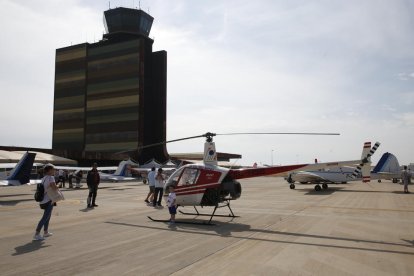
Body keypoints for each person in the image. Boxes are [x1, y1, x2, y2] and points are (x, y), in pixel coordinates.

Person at [33, 164, 58, 241]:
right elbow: (54, 188)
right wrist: (58, 185)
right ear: (49, 170)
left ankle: (46, 232)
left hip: (42, 201)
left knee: (48, 216)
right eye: (53, 169)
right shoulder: (51, 177)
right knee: (45, 217)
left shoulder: (43, 178)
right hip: (48, 200)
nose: (54, 171)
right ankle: (37, 234)